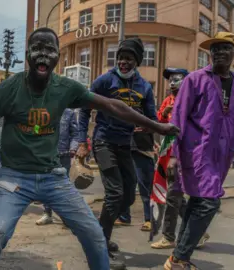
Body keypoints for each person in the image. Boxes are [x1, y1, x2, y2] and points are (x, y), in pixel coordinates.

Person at [0, 27, 179, 270]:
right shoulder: (7, 90)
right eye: (37, 49)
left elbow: (115, 106)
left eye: (50, 50)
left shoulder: (66, 88)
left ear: (58, 56)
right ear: (27, 56)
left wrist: (157, 126)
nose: (43, 55)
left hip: (53, 177)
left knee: (94, 235)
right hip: (13, 178)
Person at [164, 32, 234, 270]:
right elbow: (177, 118)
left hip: (222, 158)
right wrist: (173, 156)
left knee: (196, 204)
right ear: (210, 54)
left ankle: (177, 255)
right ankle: (179, 258)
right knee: (209, 203)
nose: (220, 52)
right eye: (216, 48)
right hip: (195, 152)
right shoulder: (194, 80)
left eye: (226, 48)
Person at [77, 36, 157, 269]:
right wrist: (82, 141)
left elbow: (151, 117)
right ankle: (100, 243)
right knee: (114, 193)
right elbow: (84, 110)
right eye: (120, 58)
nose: (123, 62)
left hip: (126, 145)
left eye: (128, 59)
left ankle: (101, 235)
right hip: (103, 142)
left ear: (137, 61)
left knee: (128, 196)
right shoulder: (104, 81)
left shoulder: (144, 87)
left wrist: (149, 129)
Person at [150, 68, 210, 250]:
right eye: (170, 80)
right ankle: (198, 232)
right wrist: (165, 112)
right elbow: (158, 122)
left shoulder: (193, 101)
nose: (172, 83)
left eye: (177, 79)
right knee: (177, 198)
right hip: (166, 153)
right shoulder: (168, 101)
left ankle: (169, 236)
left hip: (181, 156)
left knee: (173, 196)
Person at [36, 108, 78, 225]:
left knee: (63, 186)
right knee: (46, 184)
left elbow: (75, 134)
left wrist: (73, 148)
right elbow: (36, 129)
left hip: (63, 155)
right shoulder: (43, 111)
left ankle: (66, 215)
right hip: (46, 154)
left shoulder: (69, 113)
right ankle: (47, 213)